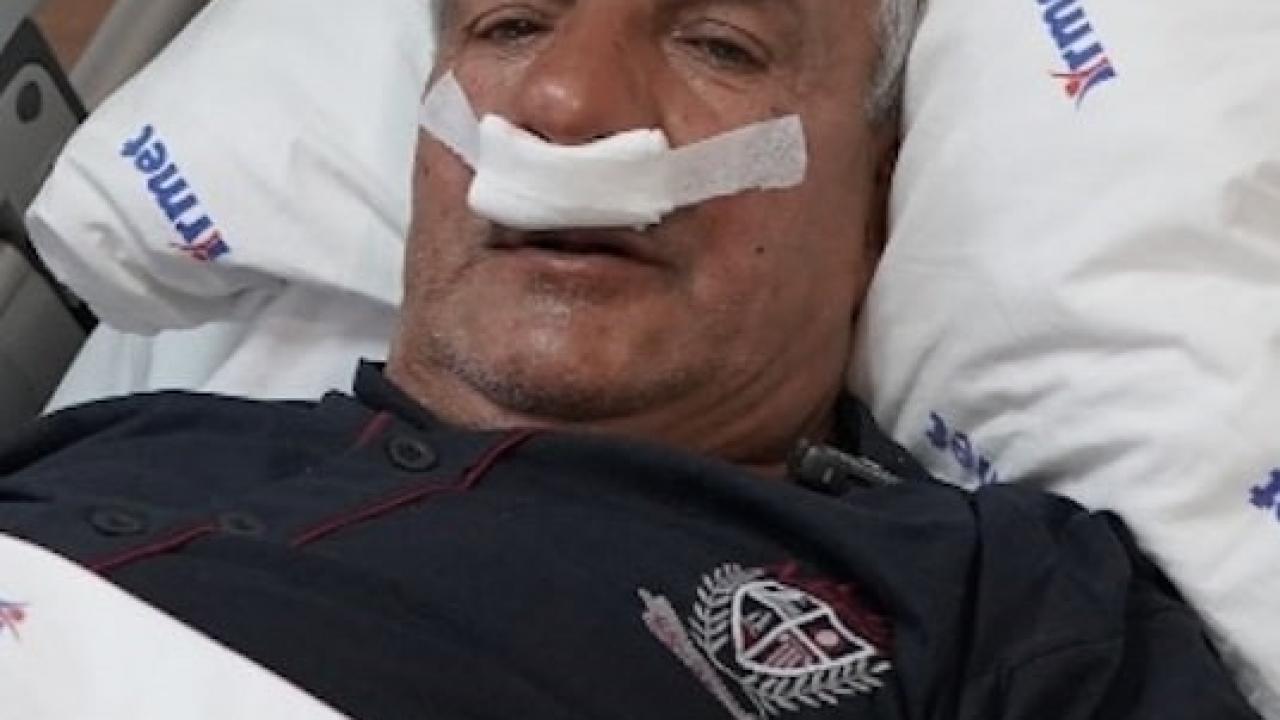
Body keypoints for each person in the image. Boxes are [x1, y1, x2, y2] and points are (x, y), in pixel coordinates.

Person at [0, 1, 1261, 718]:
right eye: (510, 23)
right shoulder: (130, 440)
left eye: (719, 42)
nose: (560, 107)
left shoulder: (996, 605)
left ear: (877, 196)